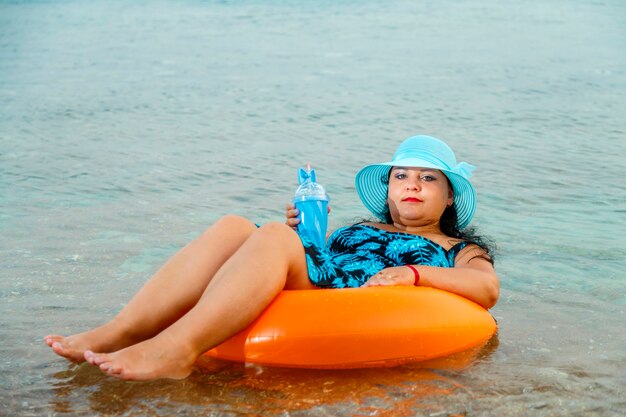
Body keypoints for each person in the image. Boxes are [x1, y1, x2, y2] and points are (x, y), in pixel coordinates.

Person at [44, 135, 499, 381]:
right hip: (321, 277)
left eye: (427, 179)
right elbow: (319, 255)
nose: (412, 185)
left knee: (276, 236)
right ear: (390, 189)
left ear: (450, 198)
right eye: (401, 176)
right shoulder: (361, 228)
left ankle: (177, 349)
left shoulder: (456, 247)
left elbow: (486, 288)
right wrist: (305, 233)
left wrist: (415, 274)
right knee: (235, 225)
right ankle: (119, 330)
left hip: (353, 298)